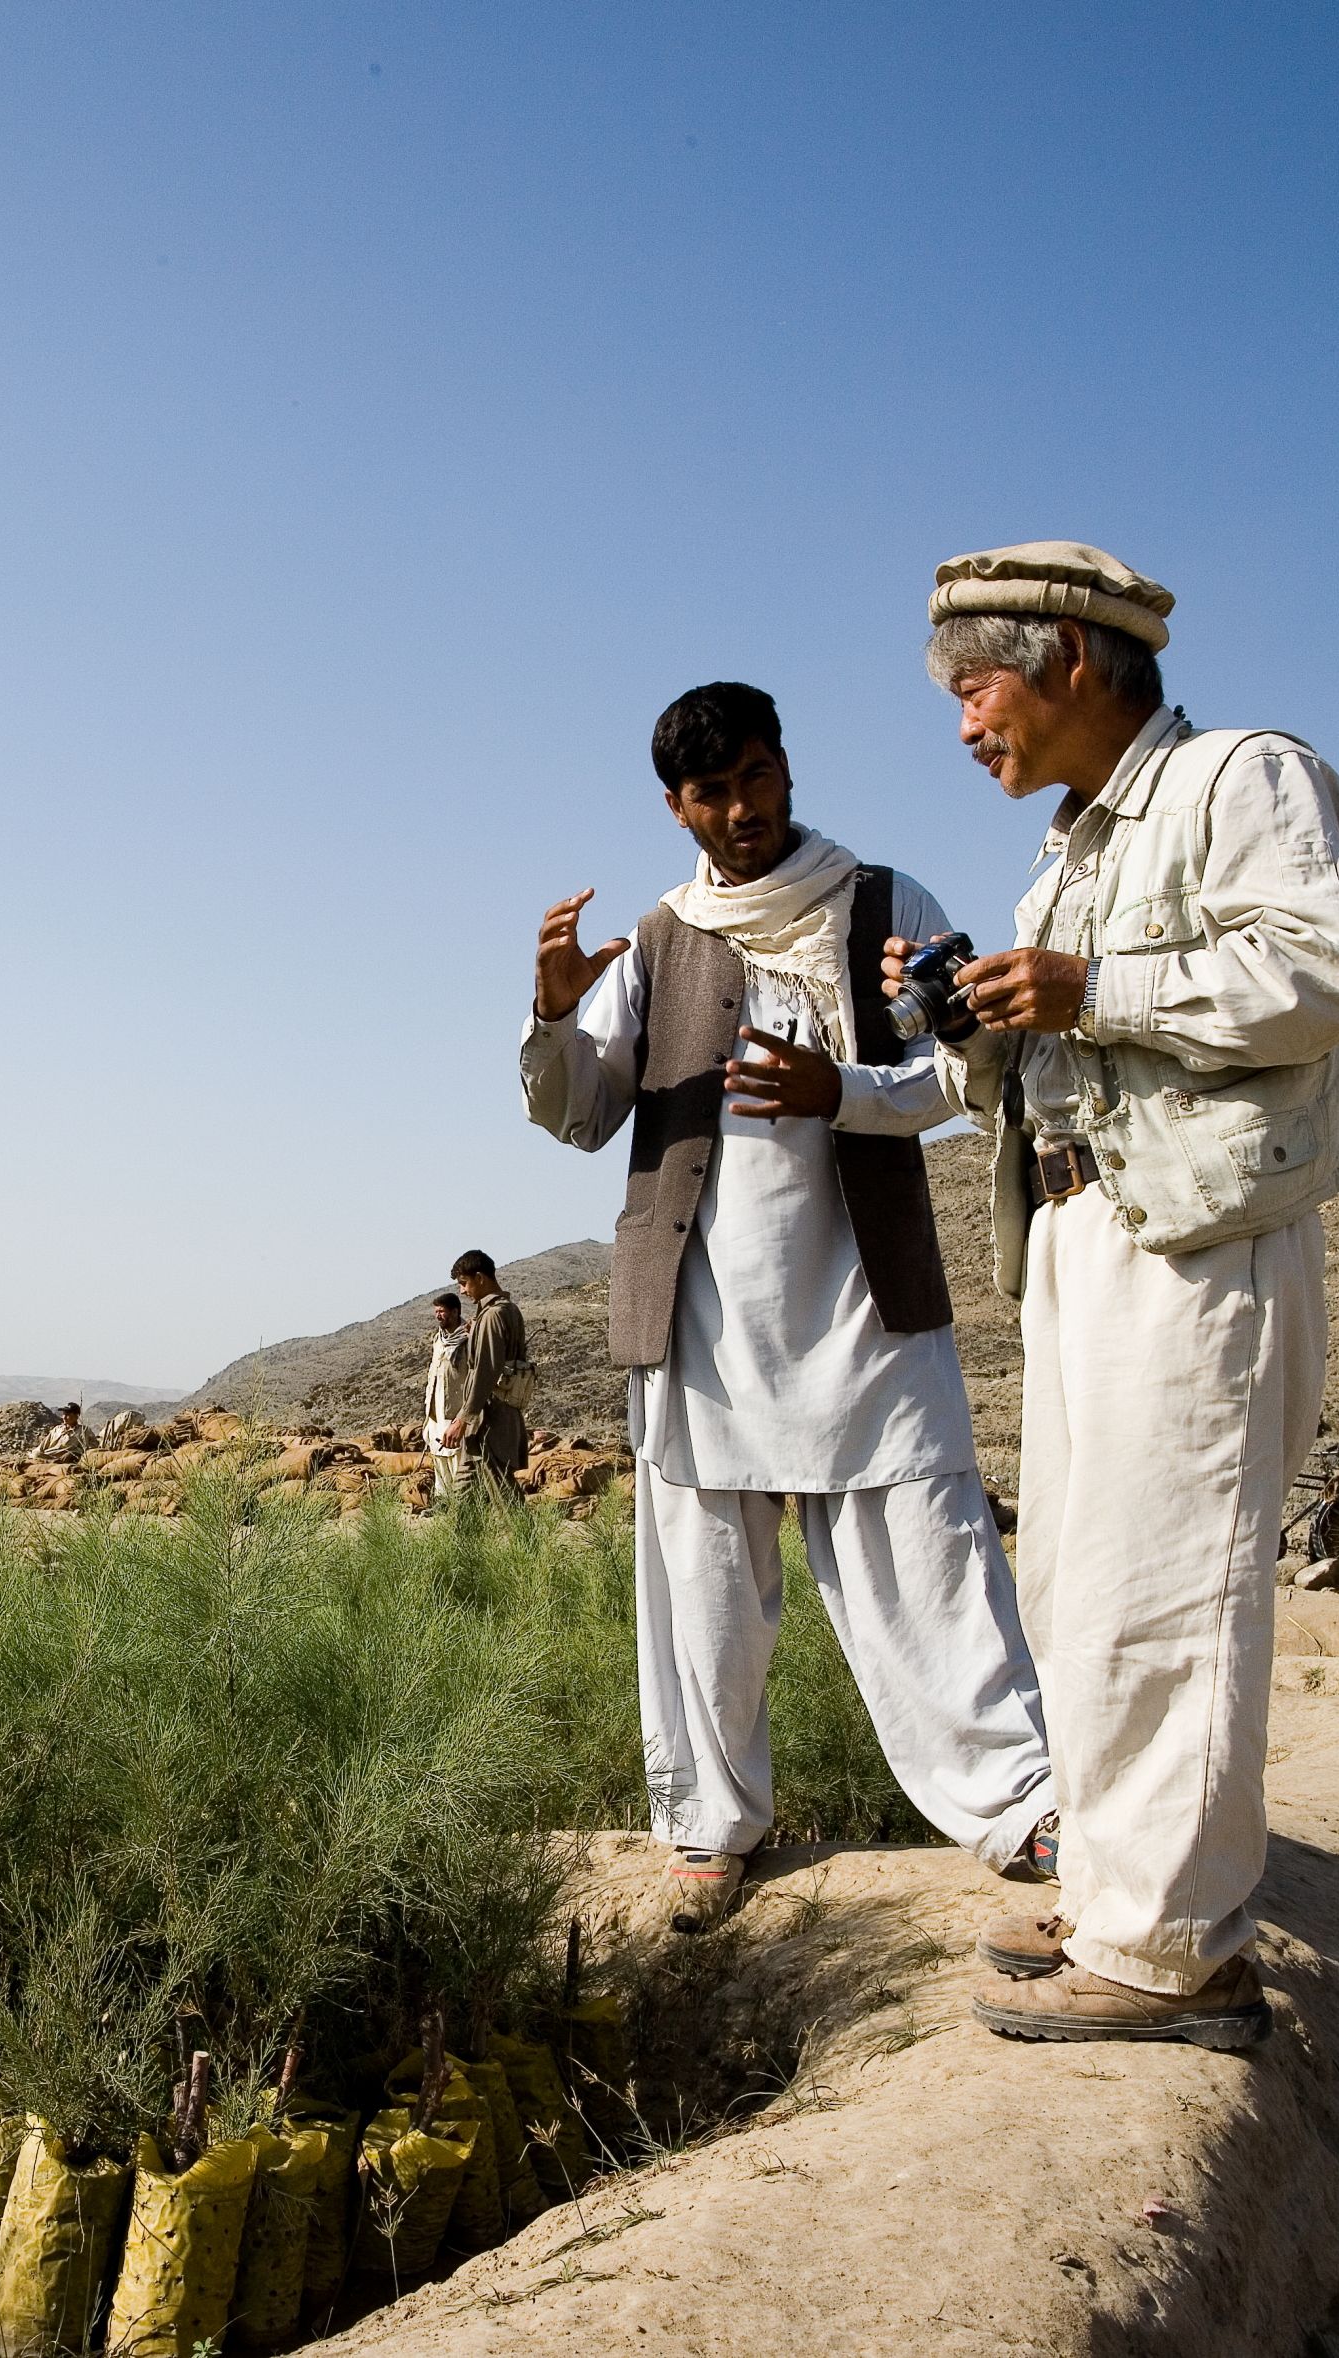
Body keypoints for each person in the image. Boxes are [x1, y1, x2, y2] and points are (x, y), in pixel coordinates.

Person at [897, 540, 1339, 2047]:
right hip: (1080, 1235)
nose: (965, 727)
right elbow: (1060, 1060)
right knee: (1079, 1583)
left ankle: (1174, 1956)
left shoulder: (1242, 777)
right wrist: (973, 1015)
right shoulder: (1069, 851)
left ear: (1068, 662)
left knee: (1167, 1581)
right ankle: (1106, 1888)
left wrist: (1089, 989)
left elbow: (1314, 971)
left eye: (973, 690)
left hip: (1199, 1244)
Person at [521, 680, 1055, 1932]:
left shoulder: (884, 901)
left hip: (863, 1300)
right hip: (702, 1310)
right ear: (675, 807)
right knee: (704, 1578)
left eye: (754, 778)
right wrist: (552, 1009)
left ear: (784, 769)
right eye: (709, 793)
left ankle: (1014, 1803)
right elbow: (579, 1114)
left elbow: (964, 1071)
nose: (739, 810)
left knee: (926, 1554)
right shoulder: (656, 938)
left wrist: (842, 1091)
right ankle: (707, 1826)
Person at [441, 1251, 530, 1496]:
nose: (462, 1291)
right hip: (488, 1419)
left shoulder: (493, 1315)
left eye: (464, 1283)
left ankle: (525, 1536)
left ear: (480, 1278)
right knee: (462, 1499)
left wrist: (462, 1420)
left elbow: (485, 1372)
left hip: (490, 1421)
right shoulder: (506, 1311)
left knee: (505, 1501)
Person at [423, 1291, 470, 1501]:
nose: (438, 1315)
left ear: (455, 1311)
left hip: (456, 1410)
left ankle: (460, 1502)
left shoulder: (468, 1340)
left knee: (457, 1456)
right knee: (438, 1453)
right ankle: (443, 1500)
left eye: (442, 1311)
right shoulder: (438, 1340)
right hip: (436, 1409)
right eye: (436, 1311)